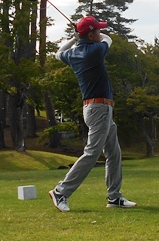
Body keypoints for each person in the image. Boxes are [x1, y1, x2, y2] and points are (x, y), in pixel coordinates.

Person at [49, 15, 136, 213]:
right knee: (92, 152)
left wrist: (74, 38)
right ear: (91, 35)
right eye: (97, 30)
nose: (100, 32)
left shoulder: (73, 53)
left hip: (96, 109)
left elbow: (58, 53)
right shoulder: (95, 51)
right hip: (99, 109)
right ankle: (61, 191)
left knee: (114, 153)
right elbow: (108, 39)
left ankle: (114, 197)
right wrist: (79, 36)